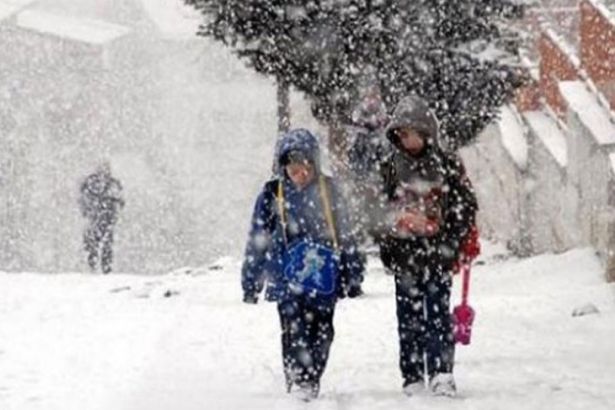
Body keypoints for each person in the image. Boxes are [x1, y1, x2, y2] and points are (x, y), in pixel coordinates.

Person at [349, 96, 478, 397]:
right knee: (408, 318)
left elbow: (465, 206)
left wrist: (452, 241)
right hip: (405, 256)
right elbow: (374, 210)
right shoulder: (390, 168)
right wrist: (389, 237)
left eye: (413, 133)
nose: (407, 140)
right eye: (402, 134)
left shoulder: (446, 164)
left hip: (438, 254)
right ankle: (412, 374)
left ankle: (441, 371)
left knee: (436, 314)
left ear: (426, 133)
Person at [241, 128, 364, 402]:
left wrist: (353, 273)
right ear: (283, 167)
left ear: (314, 164)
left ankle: (311, 377)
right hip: (286, 278)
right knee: (293, 329)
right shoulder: (273, 193)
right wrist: (251, 280)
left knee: (323, 331)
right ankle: (298, 378)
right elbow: (257, 238)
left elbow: (346, 234)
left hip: (324, 279)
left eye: (305, 167)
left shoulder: (329, 191)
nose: (300, 174)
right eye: (293, 168)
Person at [78, 162, 124, 274]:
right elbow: (120, 201)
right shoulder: (112, 184)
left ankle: (95, 266)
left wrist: (87, 211)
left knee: (95, 243)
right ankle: (102, 267)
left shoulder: (90, 183)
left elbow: (82, 198)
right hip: (104, 218)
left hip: (98, 217)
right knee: (104, 243)